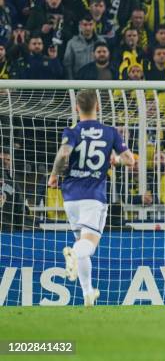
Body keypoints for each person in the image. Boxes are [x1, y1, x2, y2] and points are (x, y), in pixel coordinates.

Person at [47, 89, 135, 306]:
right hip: (93, 196)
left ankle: (88, 294)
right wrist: (115, 160)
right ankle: (74, 254)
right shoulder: (110, 132)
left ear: (77, 108)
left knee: (82, 241)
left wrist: (53, 175)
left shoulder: (72, 131)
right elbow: (130, 160)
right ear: (98, 107)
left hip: (70, 197)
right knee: (88, 246)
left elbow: (64, 154)